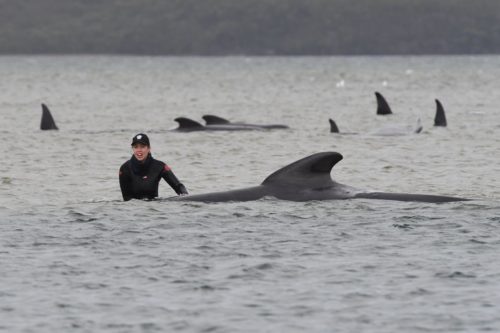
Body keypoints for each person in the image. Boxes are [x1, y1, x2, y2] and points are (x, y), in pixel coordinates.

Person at [119, 133, 188, 201]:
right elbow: (126, 199)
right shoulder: (124, 169)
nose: (139, 150)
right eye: (136, 147)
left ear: (149, 148)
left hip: (154, 209)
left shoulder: (160, 166)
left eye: (142, 147)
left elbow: (179, 187)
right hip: (134, 210)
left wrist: (187, 200)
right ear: (133, 149)